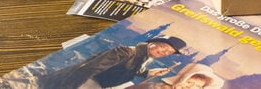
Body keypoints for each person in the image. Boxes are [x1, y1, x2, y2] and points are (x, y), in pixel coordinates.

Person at [38, 36, 186, 89]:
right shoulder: (128, 52)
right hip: (88, 82)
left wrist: (148, 73)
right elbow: (89, 69)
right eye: (163, 47)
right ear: (154, 42)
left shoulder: (145, 57)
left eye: (169, 52)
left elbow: (127, 69)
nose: (164, 52)